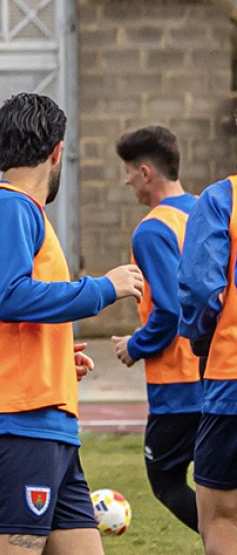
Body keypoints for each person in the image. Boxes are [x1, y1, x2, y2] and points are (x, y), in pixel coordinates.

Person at [0, 92, 144, 555]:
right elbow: (9, 297)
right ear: (56, 151)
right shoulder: (11, 208)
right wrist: (102, 288)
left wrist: (48, 353)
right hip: (18, 422)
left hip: (47, 423)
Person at [109, 126, 199, 532]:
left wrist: (135, 345)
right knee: (220, 483)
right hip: (218, 373)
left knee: (165, 479)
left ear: (146, 172)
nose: (125, 180)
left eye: (127, 171)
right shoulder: (205, 211)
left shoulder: (153, 229)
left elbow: (168, 312)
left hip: (179, 384)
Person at [178, 138, 237, 554]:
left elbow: (203, 291)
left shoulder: (222, 198)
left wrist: (200, 336)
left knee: (220, 515)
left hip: (232, 377)